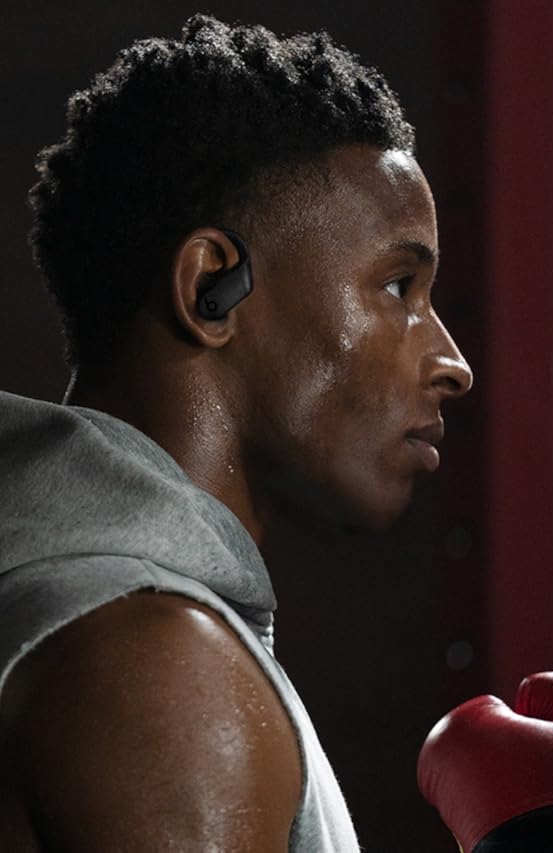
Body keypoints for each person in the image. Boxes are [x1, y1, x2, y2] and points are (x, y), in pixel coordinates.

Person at [0, 12, 475, 851]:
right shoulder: (156, 659)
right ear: (211, 287)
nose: (452, 362)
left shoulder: (90, 608)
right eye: (398, 286)